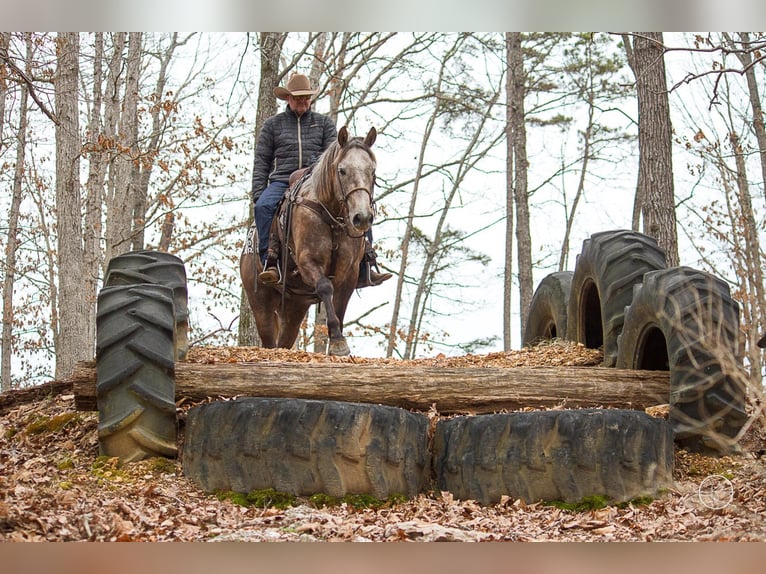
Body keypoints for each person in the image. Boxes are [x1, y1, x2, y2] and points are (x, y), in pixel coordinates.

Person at [251, 73, 391, 288]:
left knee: (359, 203)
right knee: (263, 206)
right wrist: (259, 192)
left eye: (306, 97)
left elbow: (331, 156)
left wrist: (314, 174)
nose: (303, 101)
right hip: (281, 181)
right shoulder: (273, 125)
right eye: (298, 97)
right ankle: (269, 261)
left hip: (314, 179)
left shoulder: (324, 124)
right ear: (288, 98)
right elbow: (262, 161)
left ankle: (366, 264)